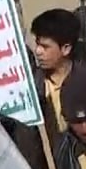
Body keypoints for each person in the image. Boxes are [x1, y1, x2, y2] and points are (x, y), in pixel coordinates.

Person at [32, 8, 81, 154]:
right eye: (37, 44)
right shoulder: (33, 87)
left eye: (45, 47)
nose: (38, 51)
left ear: (66, 49)